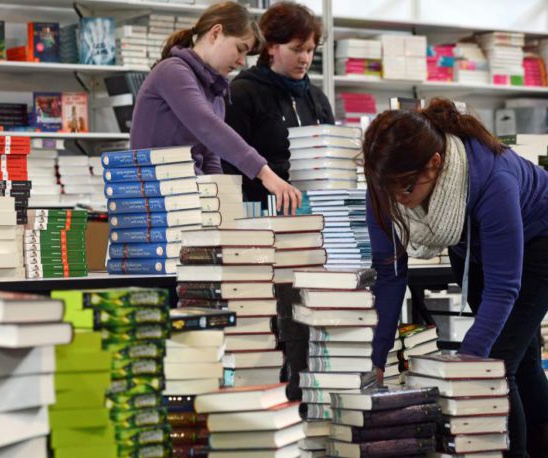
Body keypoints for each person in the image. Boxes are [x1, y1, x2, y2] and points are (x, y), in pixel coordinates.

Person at [363, 97, 548, 457]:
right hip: (473, 246)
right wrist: (376, 359)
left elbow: (503, 287)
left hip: (539, 240)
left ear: (435, 164)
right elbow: (389, 275)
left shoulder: (494, 178)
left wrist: (465, 368)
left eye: (406, 188)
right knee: (520, 359)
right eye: (387, 190)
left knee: (493, 365)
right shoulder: (387, 183)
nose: (397, 200)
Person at [130, 1, 301, 214]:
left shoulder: (216, 92)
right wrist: (265, 173)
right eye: (240, 49)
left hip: (186, 199)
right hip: (154, 202)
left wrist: (223, 206)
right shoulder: (172, 71)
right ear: (216, 33)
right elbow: (208, 127)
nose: (241, 61)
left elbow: (211, 157)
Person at [223, 1, 334, 205]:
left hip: (314, 210)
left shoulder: (318, 99)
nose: (305, 59)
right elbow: (228, 162)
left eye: (310, 50)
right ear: (271, 47)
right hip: (259, 210)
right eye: (297, 49)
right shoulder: (242, 93)